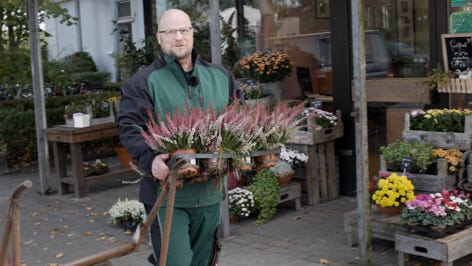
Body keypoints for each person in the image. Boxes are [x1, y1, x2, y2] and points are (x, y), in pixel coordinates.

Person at [117, 9, 238, 266]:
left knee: (205, 261)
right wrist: (150, 160)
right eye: (171, 32)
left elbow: (241, 118)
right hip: (166, 195)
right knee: (176, 262)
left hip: (209, 192)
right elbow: (129, 125)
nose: (179, 37)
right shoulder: (143, 81)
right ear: (160, 38)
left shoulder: (221, 76)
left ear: (192, 34)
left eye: (184, 30)